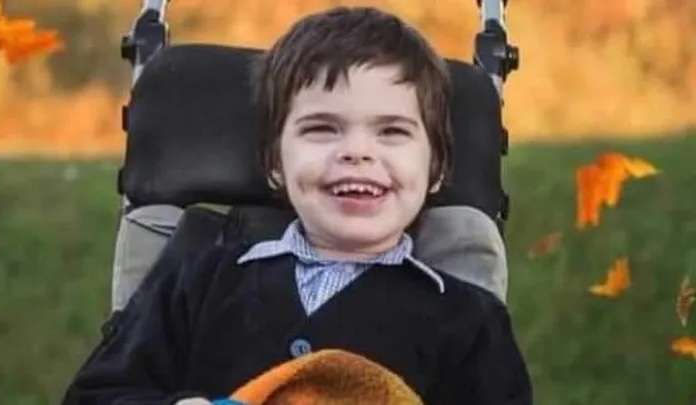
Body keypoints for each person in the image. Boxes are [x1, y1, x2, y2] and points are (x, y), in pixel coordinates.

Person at [62, 6, 532, 404]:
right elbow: (97, 394)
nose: (357, 152)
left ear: (436, 169)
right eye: (322, 129)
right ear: (275, 165)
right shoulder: (200, 281)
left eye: (391, 131)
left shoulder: (468, 321)